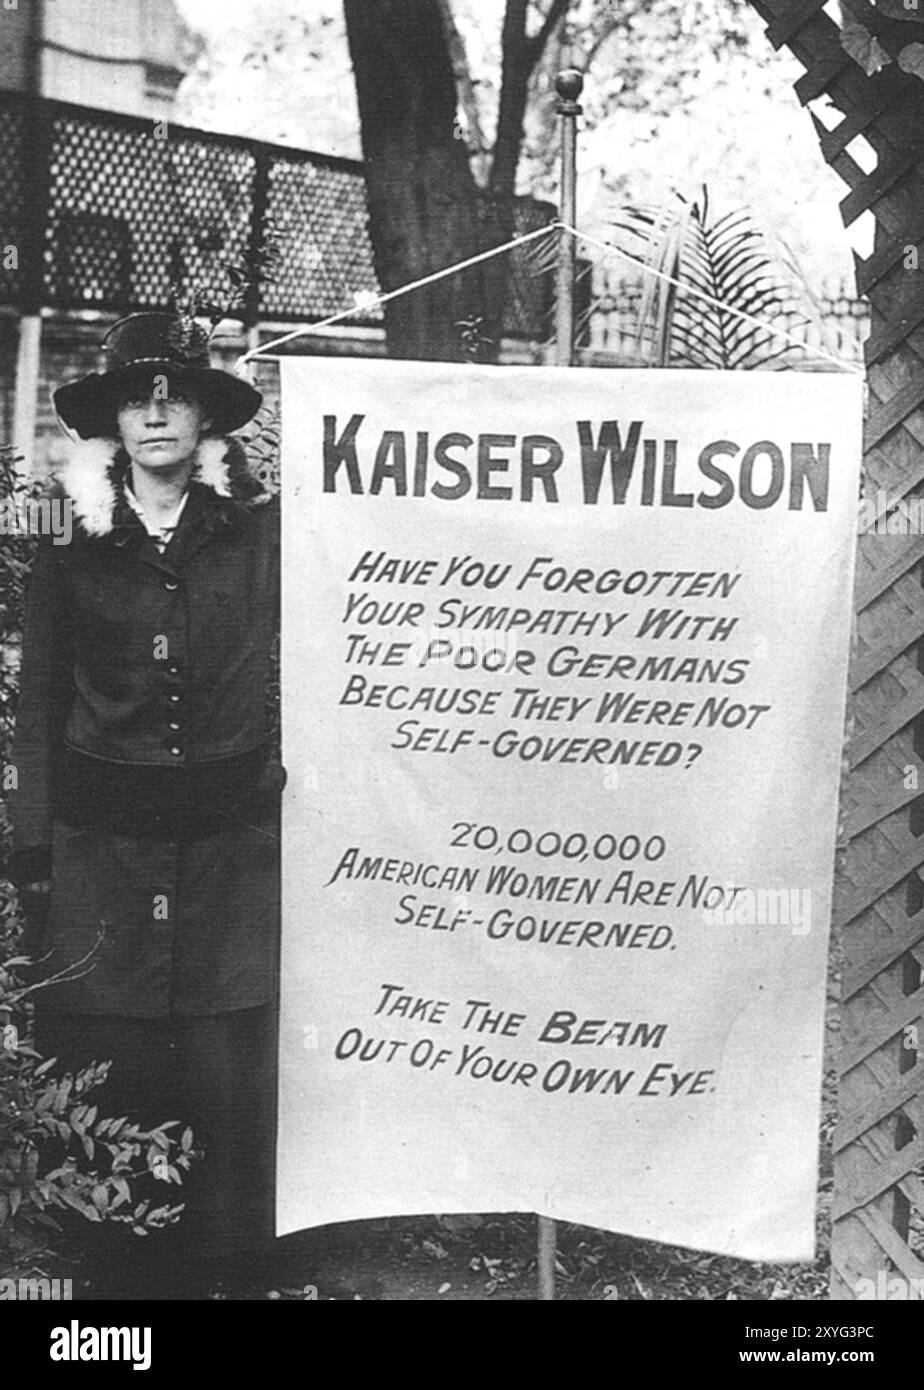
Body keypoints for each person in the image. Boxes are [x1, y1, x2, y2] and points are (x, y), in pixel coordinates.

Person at [9, 312, 281, 1294]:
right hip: (103, 846)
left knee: (223, 1033)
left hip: (226, 839)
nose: (158, 412)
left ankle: (228, 1256)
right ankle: (114, 1261)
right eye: (137, 397)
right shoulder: (69, 537)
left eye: (176, 395)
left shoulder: (256, 529)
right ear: (114, 423)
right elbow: (38, 699)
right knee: (107, 1032)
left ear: (207, 415)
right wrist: (33, 851)